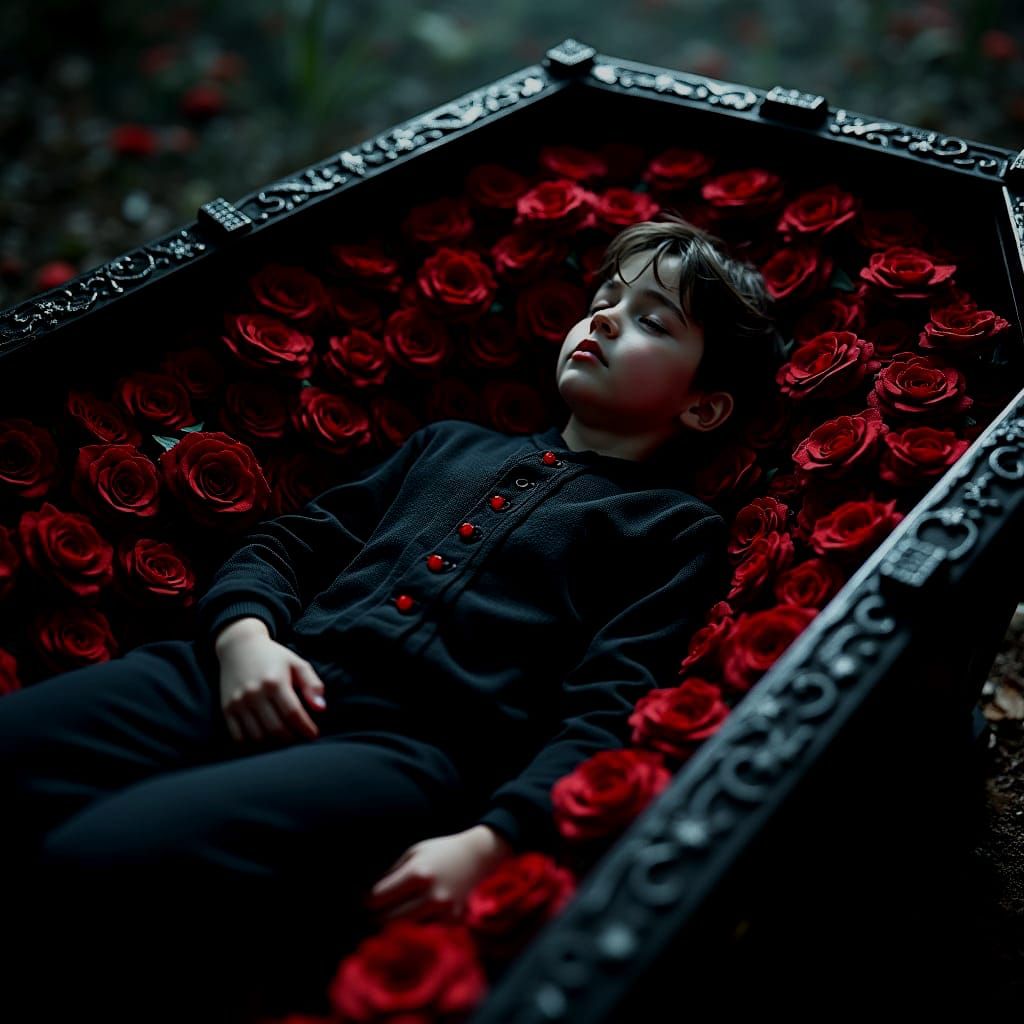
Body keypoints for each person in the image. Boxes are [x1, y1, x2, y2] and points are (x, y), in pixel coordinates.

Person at [0, 214, 780, 1023]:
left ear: (704, 409)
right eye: (604, 299)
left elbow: (608, 708)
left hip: (400, 754)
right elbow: (292, 544)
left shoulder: (671, 529)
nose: (607, 319)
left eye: (653, 321)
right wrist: (244, 639)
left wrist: (493, 841)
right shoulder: (448, 446)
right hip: (241, 668)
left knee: (93, 860)